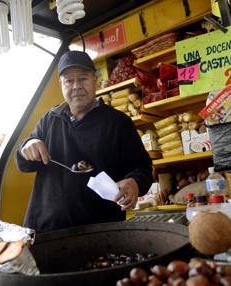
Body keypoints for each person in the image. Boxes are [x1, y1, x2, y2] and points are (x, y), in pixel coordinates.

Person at [15, 50, 153, 233]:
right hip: (46, 229)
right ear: (61, 85)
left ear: (94, 79)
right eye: (69, 81)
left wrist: (134, 182)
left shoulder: (118, 122)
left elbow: (142, 168)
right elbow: (24, 164)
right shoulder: (49, 120)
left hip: (100, 232)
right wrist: (27, 146)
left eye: (83, 78)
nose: (76, 86)